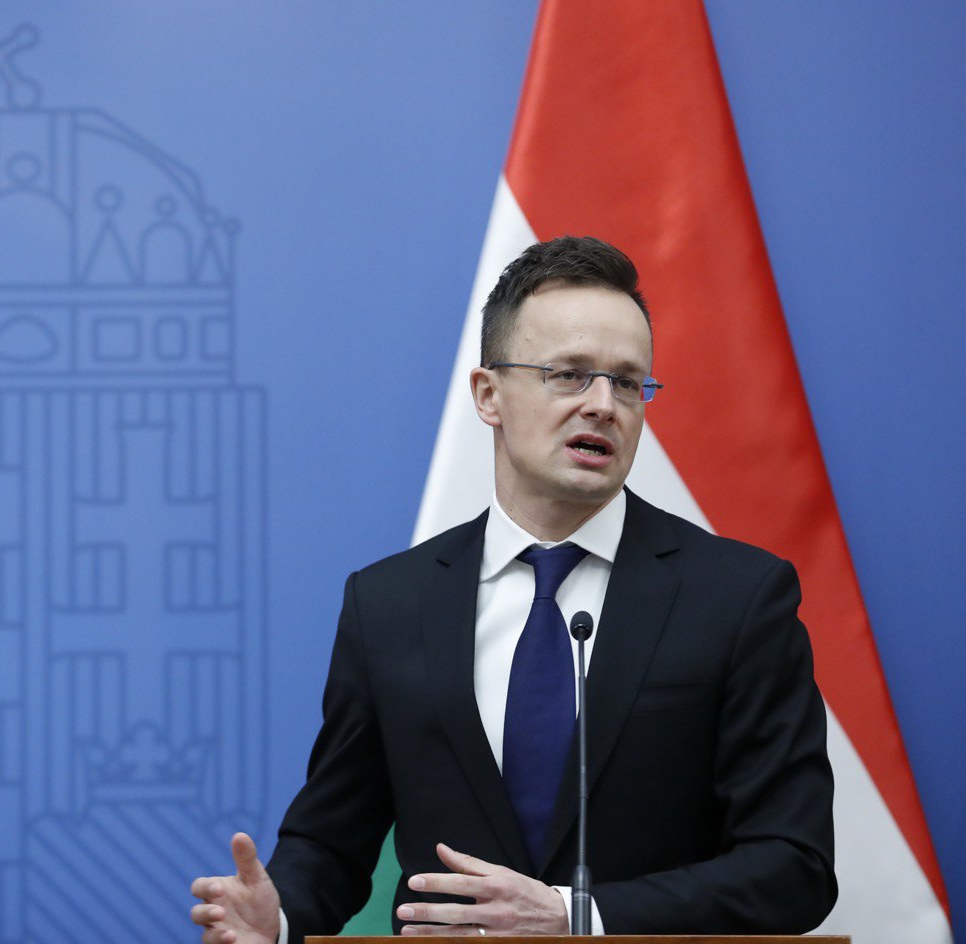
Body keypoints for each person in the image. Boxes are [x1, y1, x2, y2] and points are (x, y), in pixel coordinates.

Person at [190, 236, 836, 942]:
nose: (603, 405)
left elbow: (793, 866)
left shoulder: (738, 598)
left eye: (627, 382)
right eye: (570, 375)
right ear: (488, 395)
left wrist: (577, 918)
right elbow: (332, 841)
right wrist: (278, 918)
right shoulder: (389, 605)